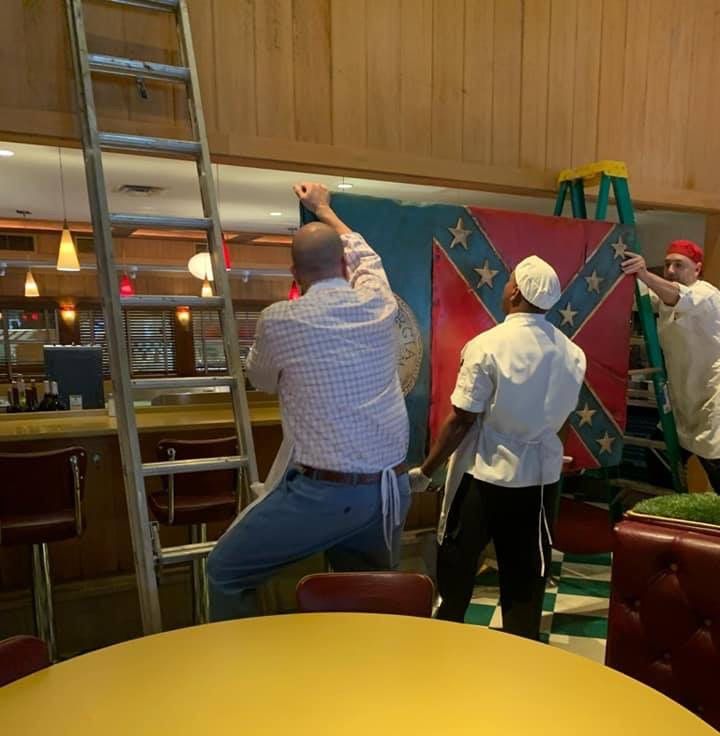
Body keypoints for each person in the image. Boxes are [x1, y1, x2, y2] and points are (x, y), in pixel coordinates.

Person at [207, 182, 410, 621]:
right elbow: (367, 256)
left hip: (324, 496)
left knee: (224, 571)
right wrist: (323, 208)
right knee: (365, 602)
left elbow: (261, 380)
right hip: (390, 490)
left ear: (294, 275)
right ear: (343, 264)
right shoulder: (379, 301)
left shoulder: (279, 319)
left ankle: (249, 664)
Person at [409, 256, 586, 639]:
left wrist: (426, 470)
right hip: (539, 480)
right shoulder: (573, 353)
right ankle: (520, 653)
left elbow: (462, 419)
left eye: (508, 282)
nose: (504, 288)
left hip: (483, 474)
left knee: (457, 567)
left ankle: (445, 646)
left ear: (516, 292)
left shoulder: (487, 346)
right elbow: (565, 420)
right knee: (526, 578)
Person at [622, 240, 720, 493]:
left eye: (679, 265)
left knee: (715, 464)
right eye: (667, 265)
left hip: (713, 401)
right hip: (682, 402)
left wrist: (644, 273)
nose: (671, 270)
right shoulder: (663, 297)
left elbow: (677, 295)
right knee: (659, 457)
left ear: (697, 269)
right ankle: (671, 509)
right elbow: (642, 296)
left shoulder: (707, 295)